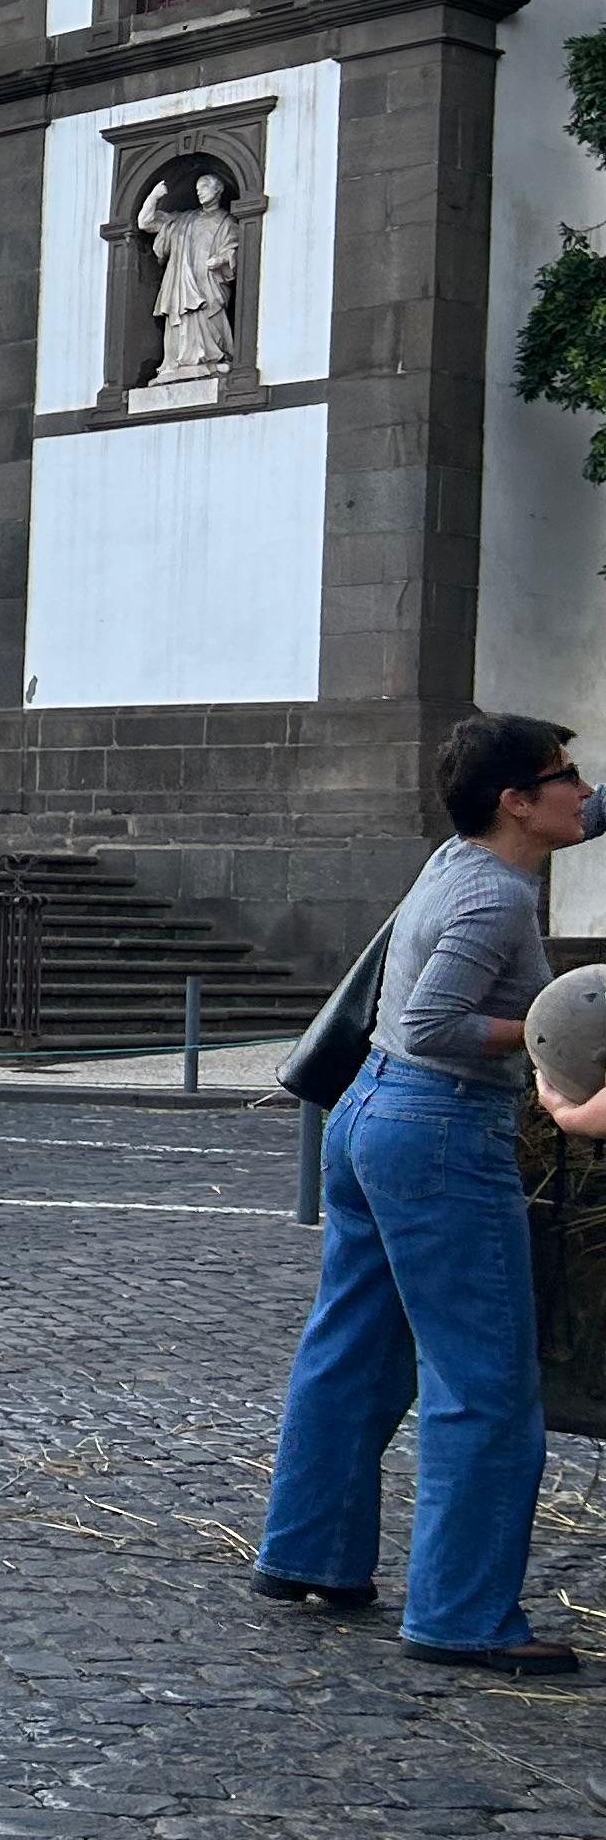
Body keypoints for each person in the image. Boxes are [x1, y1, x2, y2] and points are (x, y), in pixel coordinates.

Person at [254, 715, 606, 1676]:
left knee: (354, 1347)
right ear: (517, 802)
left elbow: (577, 816)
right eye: (566, 777)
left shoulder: (457, 857)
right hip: (441, 1131)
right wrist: (544, 1032)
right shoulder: (496, 900)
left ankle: (306, 1555)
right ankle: (461, 1615)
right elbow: (437, 1020)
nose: (583, 790)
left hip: (369, 1116)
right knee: (486, 1382)